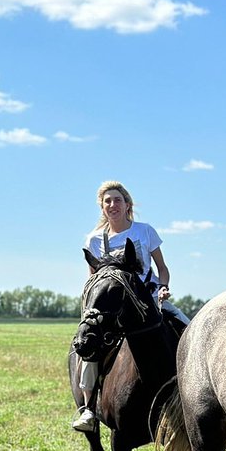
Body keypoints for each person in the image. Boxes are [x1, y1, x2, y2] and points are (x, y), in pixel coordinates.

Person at [72, 180, 189, 432]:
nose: (112, 205)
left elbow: (162, 268)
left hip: (148, 300)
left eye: (117, 200)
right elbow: (92, 279)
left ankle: (193, 394)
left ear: (127, 205)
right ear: (102, 208)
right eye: (107, 201)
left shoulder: (145, 231)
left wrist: (163, 288)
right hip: (113, 308)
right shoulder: (94, 239)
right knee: (90, 347)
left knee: (187, 329)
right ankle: (88, 408)